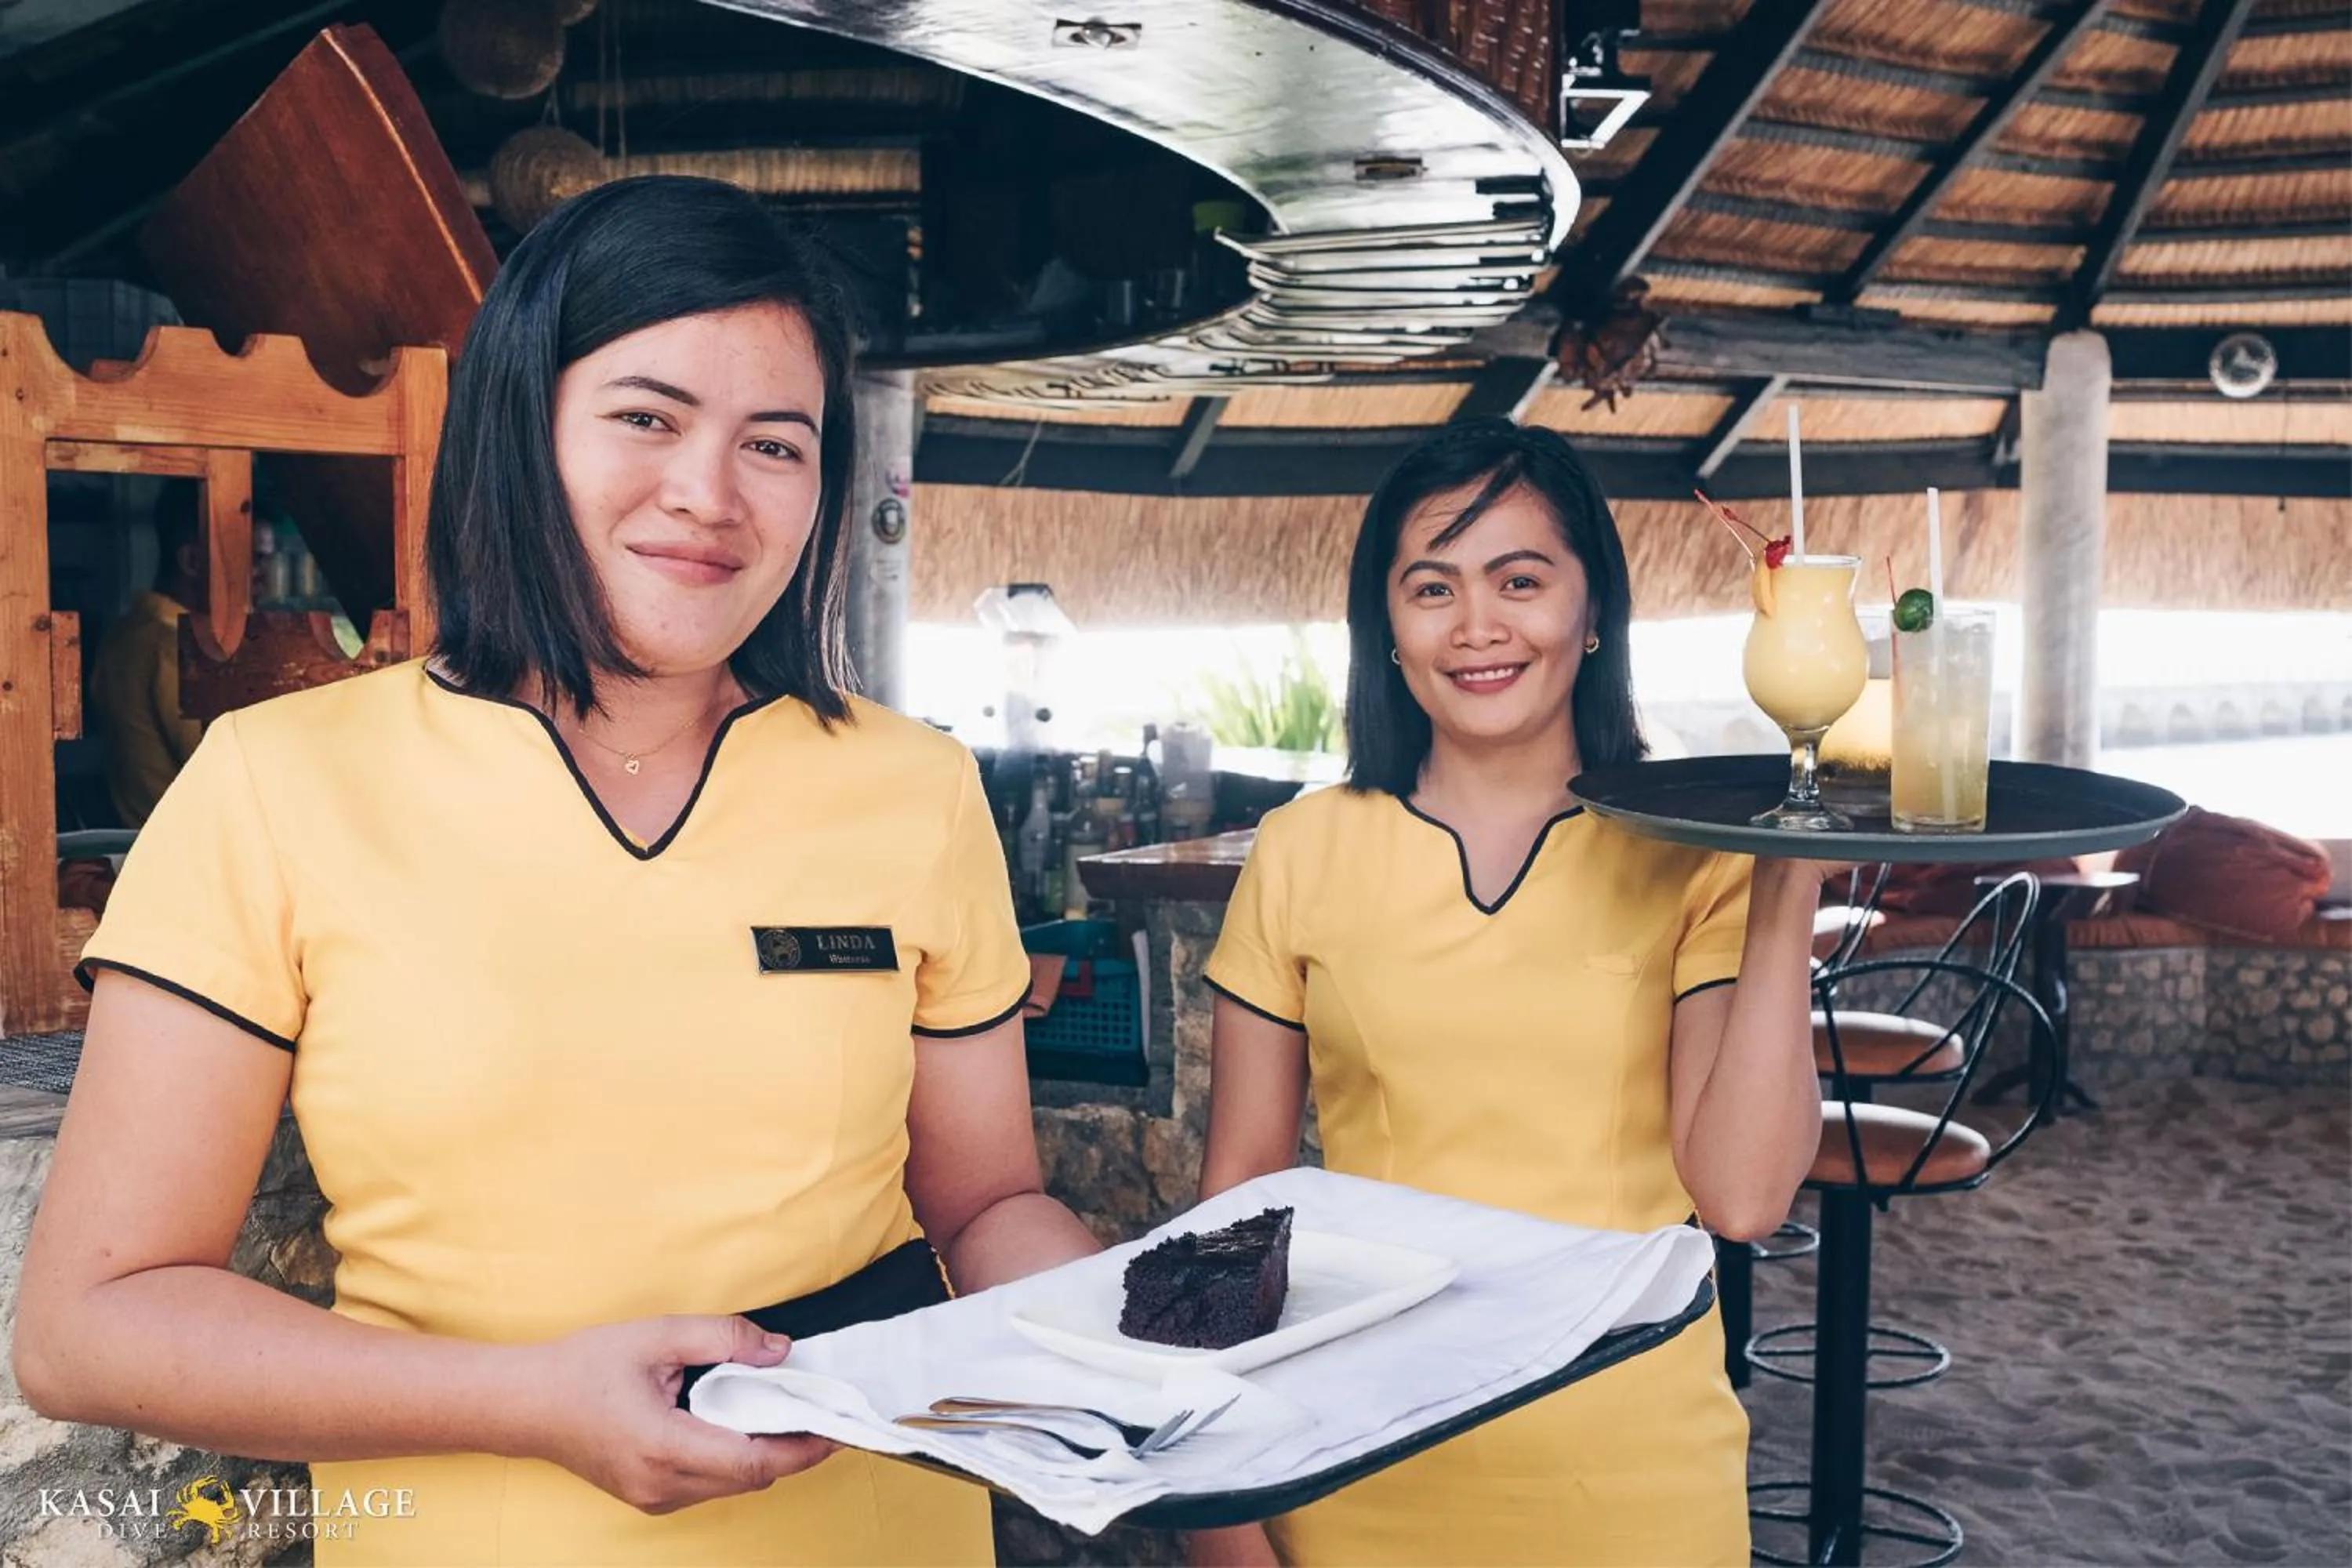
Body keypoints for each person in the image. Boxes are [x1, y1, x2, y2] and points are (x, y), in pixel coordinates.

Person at [15, 176, 1100, 1566]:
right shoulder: (278, 783)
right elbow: (89, 1322)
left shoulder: (910, 786)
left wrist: (1128, 1334)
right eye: (646, 417)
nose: (709, 497)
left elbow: (986, 1202)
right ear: (519, 431)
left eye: (776, 445)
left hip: (880, 1528)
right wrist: (530, 1402)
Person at [1191, 420, 1828, 1566]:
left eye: (1520, 581)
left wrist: (1787, 872)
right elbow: (1236, 1202)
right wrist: (1225, 1516)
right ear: (1385, 627)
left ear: (1594, 615)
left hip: (1631, 1472)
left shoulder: (1694, 853)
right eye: (1432, 587)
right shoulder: (1302, 851)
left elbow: (1740, 1198)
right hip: (1352, 1459)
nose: (1478, 626)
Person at [88, 483, 206, 826]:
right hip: (185, 849)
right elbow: (221, 764)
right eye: (255, 560)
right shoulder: (171, 647)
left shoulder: (124, 633)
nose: (264, 578)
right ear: (192, 561)